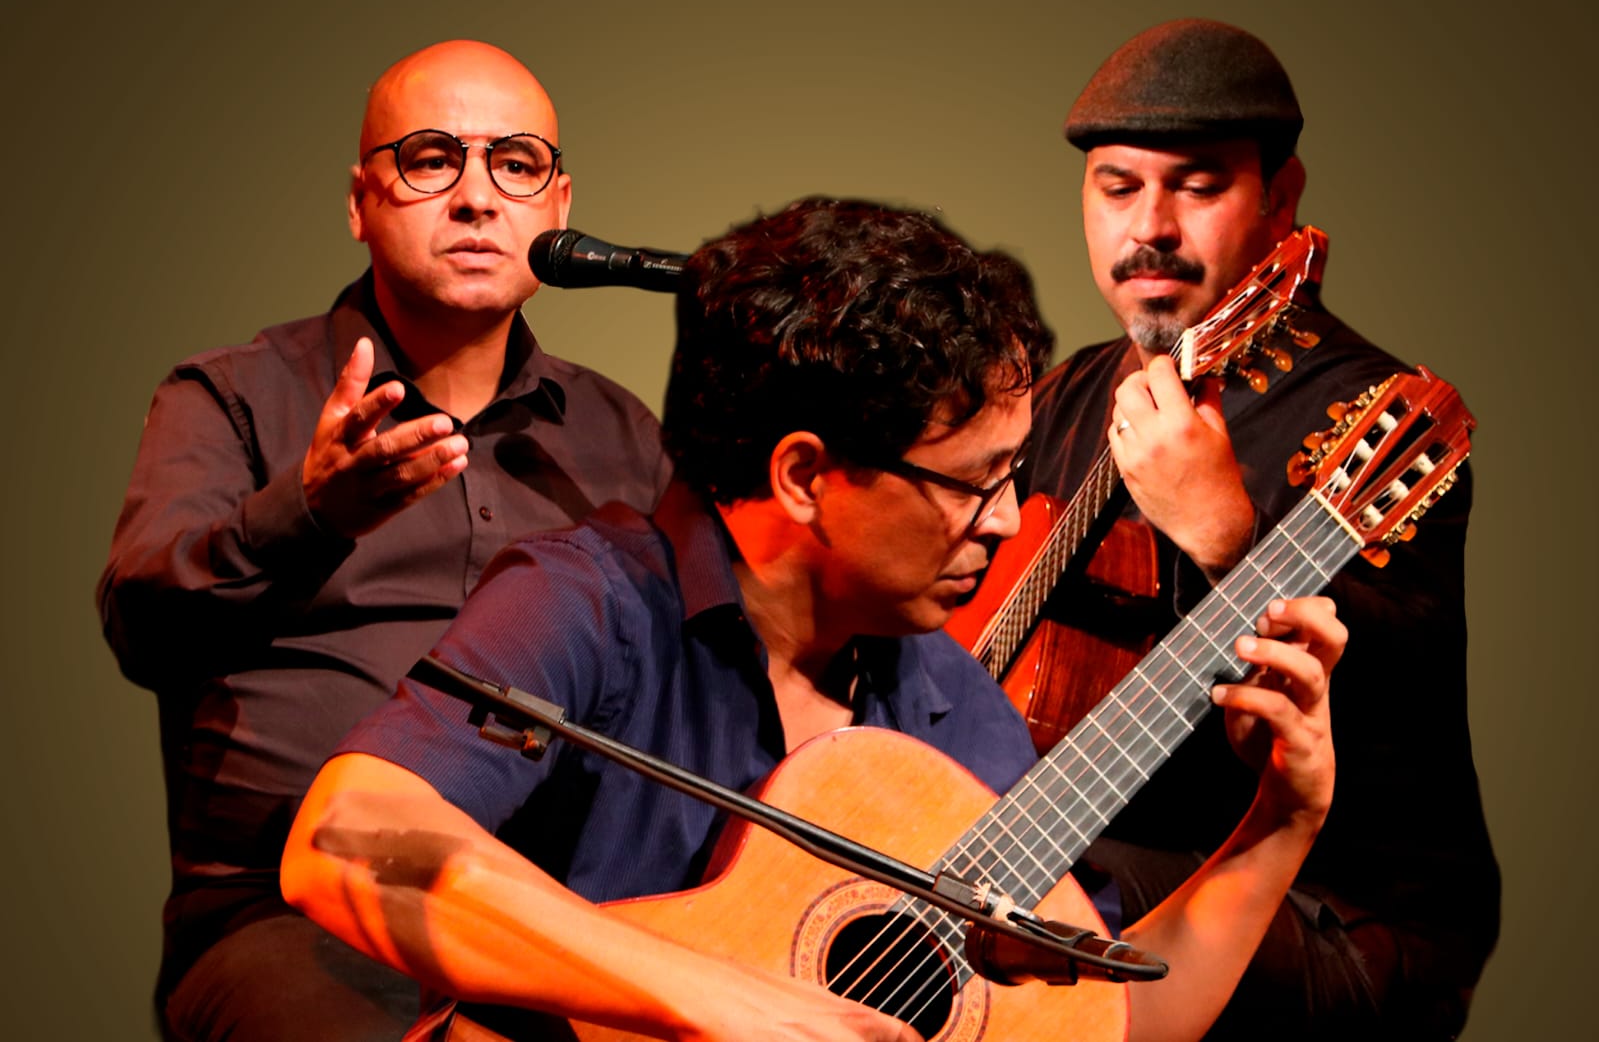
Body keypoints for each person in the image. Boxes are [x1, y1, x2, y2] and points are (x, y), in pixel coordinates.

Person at [281, 197, 1345, 1042]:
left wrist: (1281, 823)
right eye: (972, 483)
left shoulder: (950, 710)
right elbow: (346, 839)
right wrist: (714, 998)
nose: (1005, 520)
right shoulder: (590, 603)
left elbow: (1111, 1022)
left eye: (1015, 475)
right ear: (803, 476)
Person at [97, 40, 672, 1041]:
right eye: (430, 159)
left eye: (516, 164)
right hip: (299, 914)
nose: (476, 198)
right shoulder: (232, 396)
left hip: (569, 919)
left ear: (559, 205)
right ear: (360, 202)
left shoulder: (622, 436)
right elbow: (143, 628)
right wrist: (312, 512)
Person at [1019, 18, 1499, 1040]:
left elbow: (1396, 700)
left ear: (1281, 200)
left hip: (1337, 906)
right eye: (1117, 187)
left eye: (1196, 187)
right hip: (1110, 849)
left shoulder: (1375, 417)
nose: (1150, 226)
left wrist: (1228, 540)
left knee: (1016, 889)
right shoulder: (1062, 398)